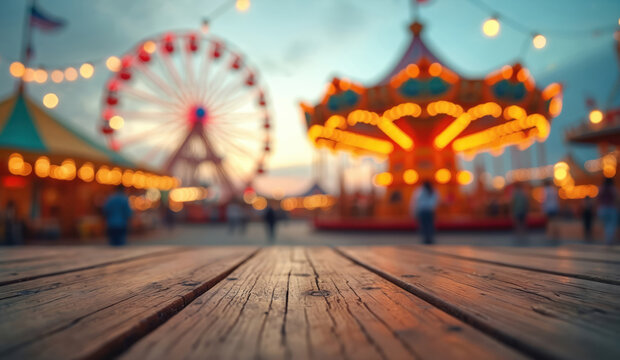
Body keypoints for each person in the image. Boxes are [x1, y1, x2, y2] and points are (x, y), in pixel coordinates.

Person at [410, 181, 439, 245]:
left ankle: (425, 239)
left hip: (422, 211)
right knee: (430, 225)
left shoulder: (419, 191)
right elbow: (436, 201)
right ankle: (430, 238)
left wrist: (413, 211)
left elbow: (415, 201)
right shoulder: (433, 191)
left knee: (423, 225)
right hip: (430, 211)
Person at [598, 177, 618, 245]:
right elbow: (616, 199)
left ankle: (607, 240)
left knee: (606, 225)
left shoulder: (601, 189)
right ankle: (609, 240)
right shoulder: (613, 189)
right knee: (610, 225)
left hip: (602, 209)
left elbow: (598, 199)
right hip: (611, 208)